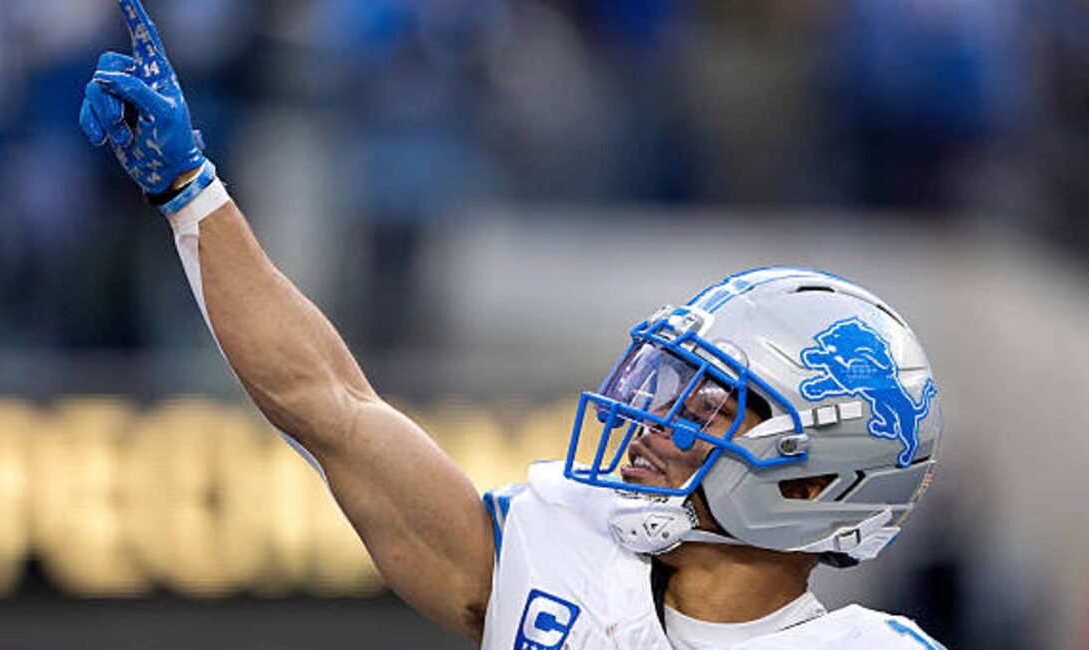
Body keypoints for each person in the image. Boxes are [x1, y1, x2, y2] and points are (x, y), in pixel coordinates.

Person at [80, 3, 947, 648]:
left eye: (708, 406)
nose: (654, 420)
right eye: (673, 388)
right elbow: (329, 404)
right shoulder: (562, 556)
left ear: (811, 481)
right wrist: (192, 191)